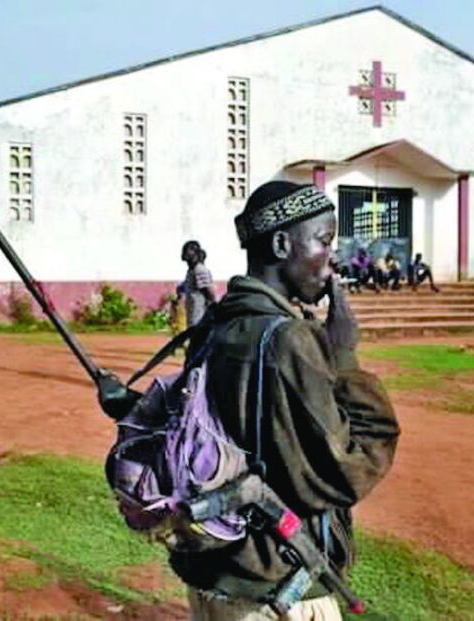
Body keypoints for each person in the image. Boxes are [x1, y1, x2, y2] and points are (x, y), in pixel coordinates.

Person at [171, 182, 400, 619]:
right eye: (324, 240)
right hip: (276, 587)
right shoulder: (289, 340)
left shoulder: (217, 324)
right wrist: (345, 358)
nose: (331, 259)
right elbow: (347, 470)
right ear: (282, 243)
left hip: (213, 572)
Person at [176, 240, 216, 327]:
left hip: (200, 312)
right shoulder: (191, 270)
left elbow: (208, 290)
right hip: (192, 310)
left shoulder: (199, 269)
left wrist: (213, 306)